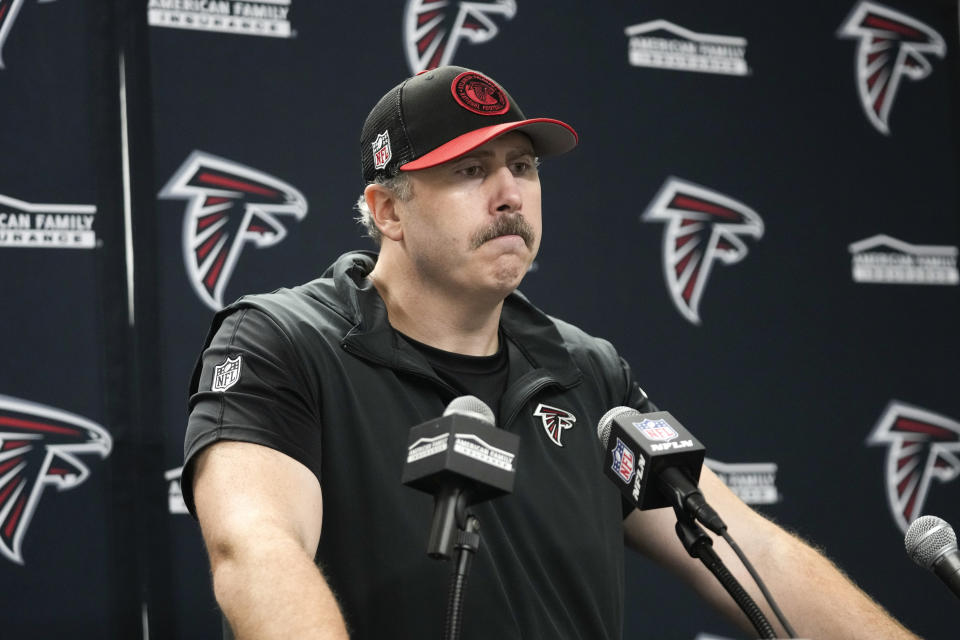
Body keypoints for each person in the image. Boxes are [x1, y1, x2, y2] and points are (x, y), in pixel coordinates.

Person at [183, 66, 918, 639]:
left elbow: (756, 554)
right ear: (387, 211)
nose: (510, 194)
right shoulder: (282, 344)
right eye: (471, 170)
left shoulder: (585, 371)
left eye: (524, 167)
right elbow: (256, 552)